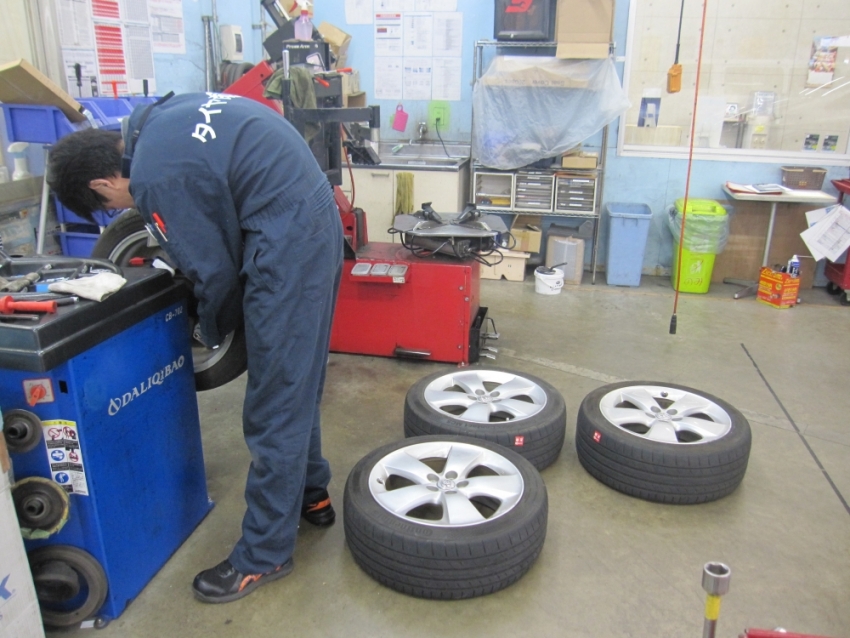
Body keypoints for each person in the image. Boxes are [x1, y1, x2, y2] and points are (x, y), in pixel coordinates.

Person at [48, 92, 343, 604]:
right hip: (312, 216)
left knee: (273, 403)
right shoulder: (161, 119)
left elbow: (215, 276)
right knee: (298, 379)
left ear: (102, 184)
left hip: (289, 240)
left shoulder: (154, 176)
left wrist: (206, 330)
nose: (124, 209)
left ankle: (265, 553)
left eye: (111, 207)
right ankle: (311, 492)